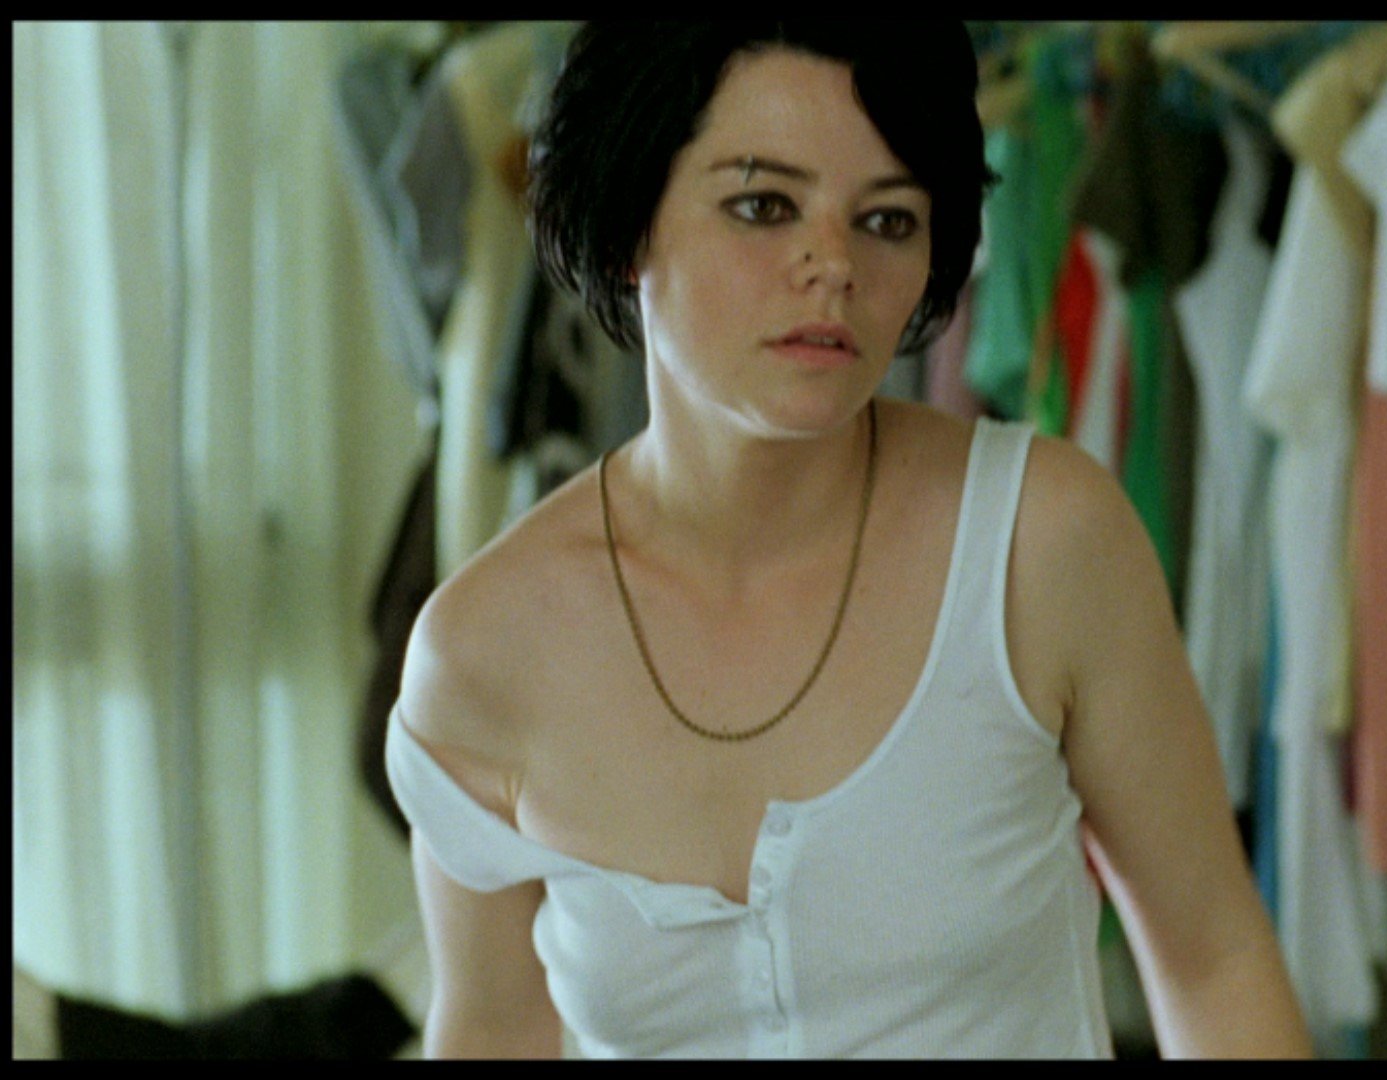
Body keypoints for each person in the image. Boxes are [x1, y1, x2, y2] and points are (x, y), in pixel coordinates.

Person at [386, 20, 1312, 1059]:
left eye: (886, 219)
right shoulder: (483, 651)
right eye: (763, 206)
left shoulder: (1040, 545)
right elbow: (490, 1029)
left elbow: (1215, 960)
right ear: (628, 223)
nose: (833, 264)